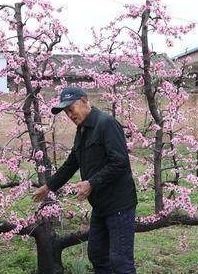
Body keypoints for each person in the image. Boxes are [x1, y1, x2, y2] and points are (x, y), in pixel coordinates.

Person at [32, 86, 137, 274]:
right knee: (97, 255)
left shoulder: (106, 124)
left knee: (121, 262)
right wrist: (48, 187)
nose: (70, 115)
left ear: (84, 101)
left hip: (119, 205)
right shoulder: (82, 130)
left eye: (71, 109)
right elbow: (72, 162)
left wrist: (91, 183)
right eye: (66, 112)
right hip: (100, 205)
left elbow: (120, 163)